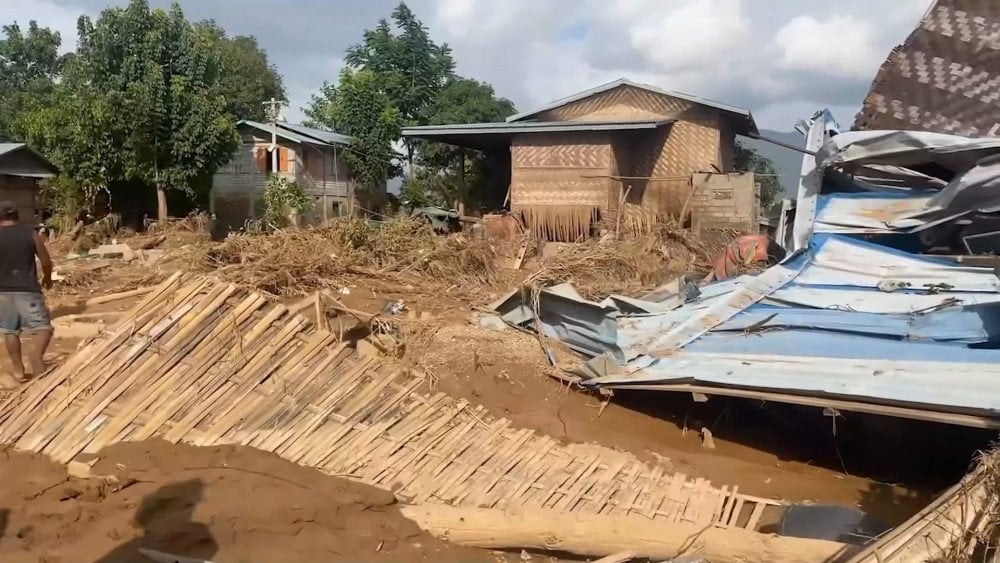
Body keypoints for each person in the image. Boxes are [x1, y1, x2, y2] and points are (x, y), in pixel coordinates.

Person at [0, 201, 53, 388]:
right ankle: (35, 356)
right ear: (17, 216)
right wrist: (47, 277)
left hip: (3, 292)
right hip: (26, 289)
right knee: (44, 328)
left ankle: (19, 371)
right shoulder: (31, 234)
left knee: (9, 331)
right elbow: (46, 261)